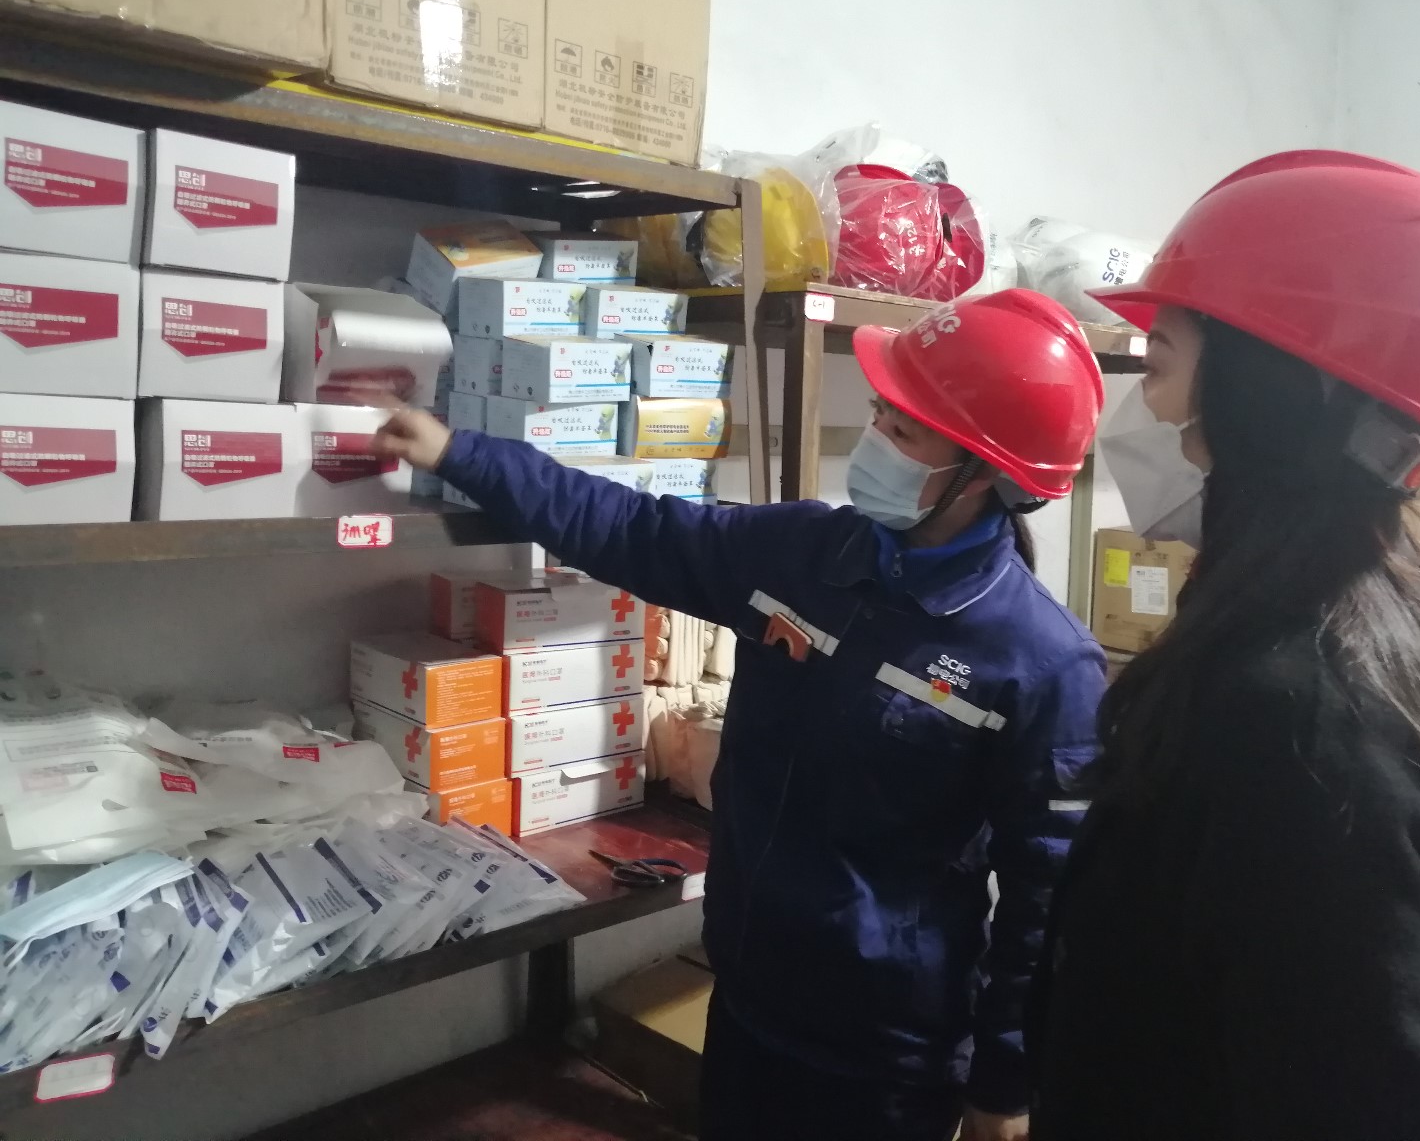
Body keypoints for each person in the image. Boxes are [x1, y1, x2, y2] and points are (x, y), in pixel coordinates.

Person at [374, 289, 1107, 1141]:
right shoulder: (801, 553)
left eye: (904, 433)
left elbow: (1044, 901)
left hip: (885, 1051)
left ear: (983, 476)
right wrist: (461, 453)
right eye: (881, 414)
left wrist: (1004, 1085)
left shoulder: (1042, 662)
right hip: (751, 992)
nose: (875, 440)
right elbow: (633, 528)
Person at [1028, 150, 1420, 1140]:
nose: (1143, 414)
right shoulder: (1380, 640)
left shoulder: (1297, 723)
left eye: (1161, 368)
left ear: (1266, 393)